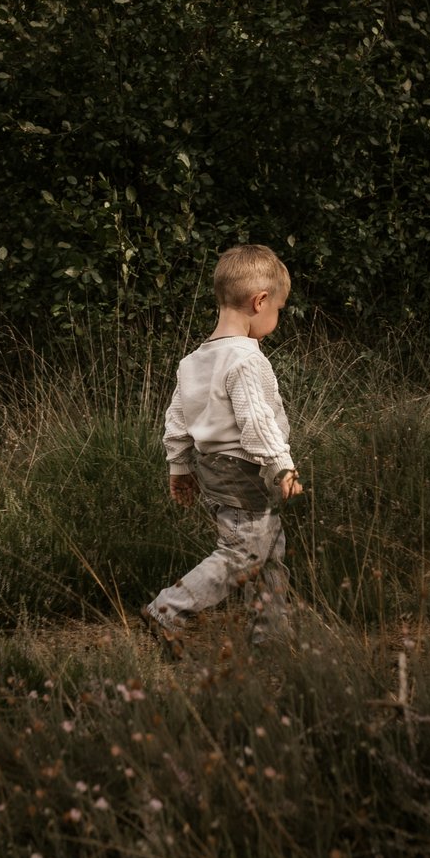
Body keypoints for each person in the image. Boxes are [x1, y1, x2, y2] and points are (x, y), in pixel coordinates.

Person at [146, 244, 305, 656]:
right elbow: (257, 421)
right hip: (243, 470)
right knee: (243, 553)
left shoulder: (194, 360)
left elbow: (177, 419)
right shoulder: (246, 360)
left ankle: (271, 636)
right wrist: (282, 466)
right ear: (260, 301)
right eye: (279, 310)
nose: (277, 318)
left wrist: (179, 467)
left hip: (211, 468)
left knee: (268, 550)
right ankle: (168, 608)